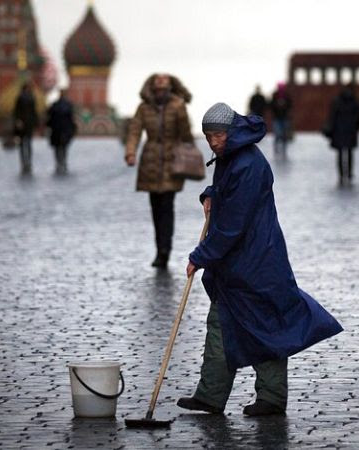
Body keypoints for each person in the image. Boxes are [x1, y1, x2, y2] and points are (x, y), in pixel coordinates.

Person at [177, 102, 343, 417]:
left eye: (217, 135)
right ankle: (214, 396)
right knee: (224, 325)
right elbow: (226, 191)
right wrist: (210, 193)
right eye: (208, 136)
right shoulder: (232, 157)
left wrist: (201, 256)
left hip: (255, 261)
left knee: (260, 326)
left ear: (231, 131)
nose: (212, 142)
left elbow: (232, 226)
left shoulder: (248, 164)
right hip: (239, 264)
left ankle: (266, 398)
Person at [124, 73, 194, 268]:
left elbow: (186, 134)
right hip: (151, 161)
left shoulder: (178, 106)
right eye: (158, 88)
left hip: (172, 162)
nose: (161, 91)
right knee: (156, 207)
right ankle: (159, 248)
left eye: (165, 89)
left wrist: (188, 150)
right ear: (153, 89)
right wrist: (130, 152)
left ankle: (165, 250)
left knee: (167, 206)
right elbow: (135, 130)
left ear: (170, 89)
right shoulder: (144, 107)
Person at [324, 86, 359, 185]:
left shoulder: (337, 101)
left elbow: (332, 117)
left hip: (339, 132)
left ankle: (341, 175)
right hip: (350, 131)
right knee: (349, 153)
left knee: (341, 154)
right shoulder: (355, 102)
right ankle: (348, 173)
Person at [46, 89, 77, 175]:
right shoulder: (69, 105)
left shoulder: (55, 105)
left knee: (57, 148)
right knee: (64, 147)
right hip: (65, 130)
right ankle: (63, 162)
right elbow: (71, 119)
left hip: (56, 130)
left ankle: (58, 162)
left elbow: (49, 116)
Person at [13, 83, 38, 175]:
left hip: (23, 124)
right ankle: (28, 162)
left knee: (23, 144)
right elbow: (34, 112)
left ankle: (24, 162)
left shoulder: (21, 98)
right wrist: (36, 124)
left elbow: (16, 112)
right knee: (28, 144)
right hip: (28, 124)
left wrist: (18, 121)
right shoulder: (31, 98)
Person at [269, 82, 292, 154]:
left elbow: (290, 105)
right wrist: (277, 105)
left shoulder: (286, 96)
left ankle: (284, 148)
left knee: (284, 134)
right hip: (277, 118)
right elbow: (271, 105)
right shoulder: (275, 95)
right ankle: (276, 148)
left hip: (285, 118)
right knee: (277, 133)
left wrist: (284, 105)